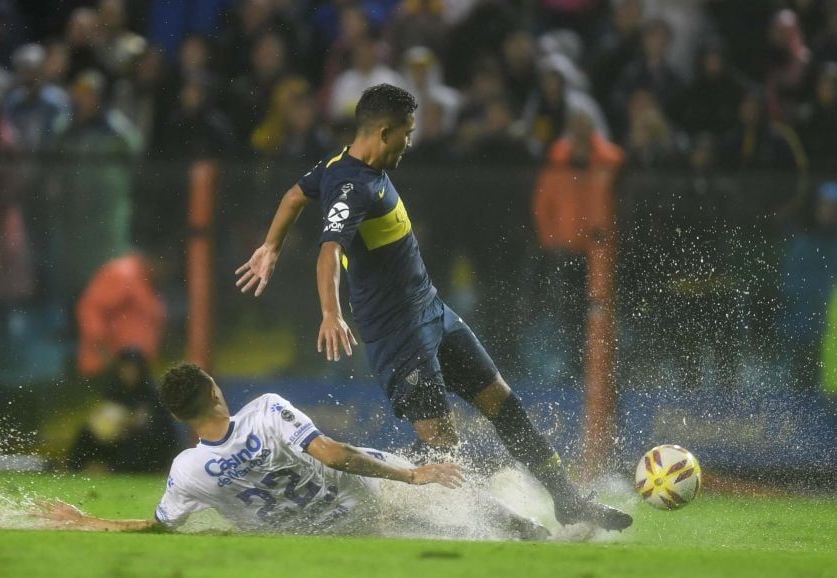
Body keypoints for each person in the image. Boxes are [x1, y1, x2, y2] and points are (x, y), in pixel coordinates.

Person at [235, 84, 633, 531]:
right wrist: (330, 312)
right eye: (406, 133)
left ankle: (568, 500)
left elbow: (293, 196)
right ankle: (506, 526)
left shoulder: (335, 167)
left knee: (505, 405)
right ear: (384, 132)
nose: (410, 142)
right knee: (444, 448)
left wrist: (271, 245)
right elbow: (329, 251)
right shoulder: (352, 187)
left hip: (433, 313)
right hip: (397, 335)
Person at [37, 363, 473, 534]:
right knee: (460, 510)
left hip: (325, 537)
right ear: (214, 392)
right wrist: (413, 474)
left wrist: (85, 520)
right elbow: (334, 453)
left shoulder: (187, 470)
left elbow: (157, 528)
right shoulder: (266, 409)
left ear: (177, 416)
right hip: (369, 501)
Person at [67, 348, 179, 472]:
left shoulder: (151, 391)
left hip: (148, 444)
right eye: (125, 368)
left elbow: (152, 425)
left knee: (133, 440)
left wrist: (127, 423)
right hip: (118, 434)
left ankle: (112, 470)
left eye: (132, 369)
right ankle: (73, 469)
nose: (128, 372)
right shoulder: (114, 388)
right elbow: (106, 414)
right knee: (86, 433)